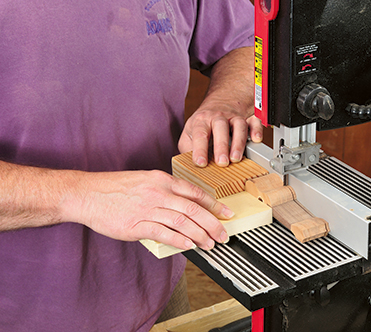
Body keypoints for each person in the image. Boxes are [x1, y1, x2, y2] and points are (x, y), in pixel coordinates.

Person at [0, 0, 262, 331]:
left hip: (159, 287)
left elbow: (247, 42)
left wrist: (227, 101)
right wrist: (83, 196)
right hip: (20, 314)